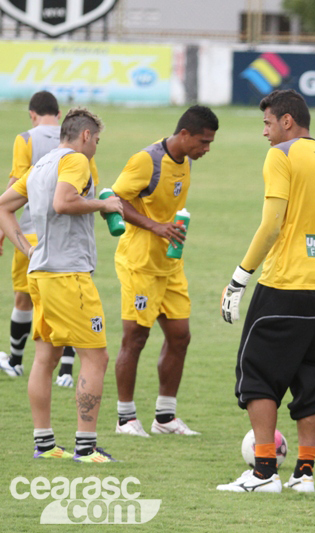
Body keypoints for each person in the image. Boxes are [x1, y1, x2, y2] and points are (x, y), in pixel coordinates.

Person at [217, 89, 315, 493]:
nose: (264, 132)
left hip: (284, 284)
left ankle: (263, 472)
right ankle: (304, 475)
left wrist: (240, 277)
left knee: (257, 376)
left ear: (287, 121)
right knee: (312, 384)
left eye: (267, 123)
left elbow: (272, 223)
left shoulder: (281, 155)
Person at [0, 107, 124, 462]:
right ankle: (86, 447)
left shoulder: (40, 166)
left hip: (39, 273)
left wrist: (25, 247)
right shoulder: (76, 162)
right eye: (97, 140)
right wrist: (104, 203)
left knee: (45, 357)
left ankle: (44, 443)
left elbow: (3, 207)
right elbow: (64, 202)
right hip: (68, 275)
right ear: (85, 135)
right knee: (96, 357)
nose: (96, 147)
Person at [112, 105, 218, 438]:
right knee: (136, 338)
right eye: (203, 142)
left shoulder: (184, 161)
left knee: (180, 337)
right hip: (140, 265)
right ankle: (126, 419)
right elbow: (114, 199)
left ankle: (165, 417)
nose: (206, 149)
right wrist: (154, 226)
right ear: (184, 134)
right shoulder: (147, 161)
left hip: (171, 264)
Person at [0, 91, 91, 386]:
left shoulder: (26, 138)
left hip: (30, 231)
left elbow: (16, 184)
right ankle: (66, 369)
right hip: (69, 240)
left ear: (32, 114)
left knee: (25, 299)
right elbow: (87, 188)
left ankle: (14, 361)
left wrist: (5, 230)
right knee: (70, 304)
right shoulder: (79, 145)